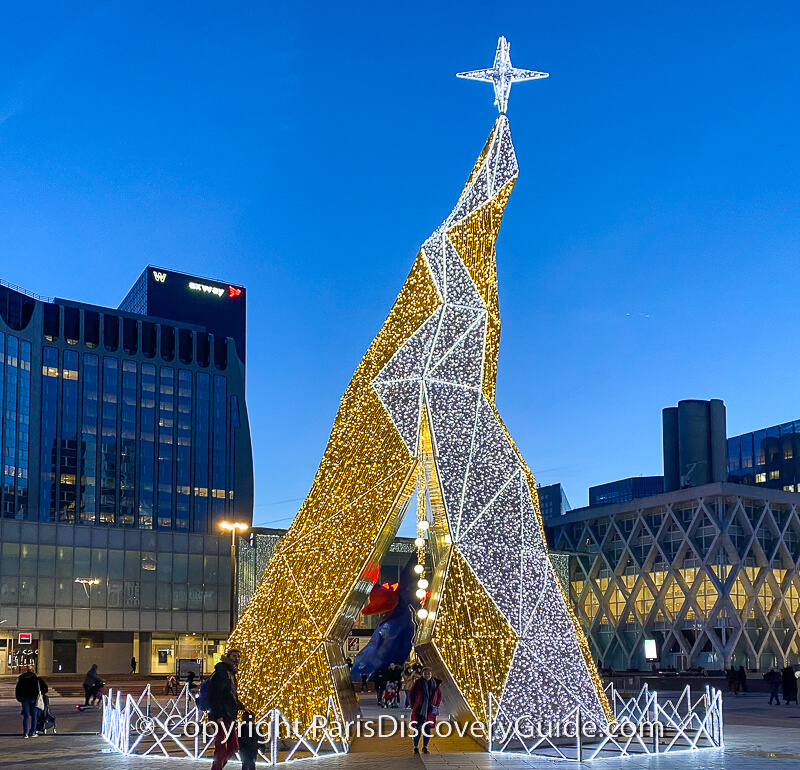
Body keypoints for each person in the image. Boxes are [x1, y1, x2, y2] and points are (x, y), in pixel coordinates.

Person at [208, 649, 246, 770]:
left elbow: (228, 695)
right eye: (234, 656)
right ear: (228, 657)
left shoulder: (231, 673)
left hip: (229, 715)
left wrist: (240, 706)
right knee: (222, 747)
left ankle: (217, 768)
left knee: (233, 746)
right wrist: (218, 714)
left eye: (239, 656)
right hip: (221, 716)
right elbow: (215, 694)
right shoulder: (222, 672)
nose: (237, 659)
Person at [409, 668, 442, 755]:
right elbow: (411, 694)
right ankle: (416, 747)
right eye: (425, 674)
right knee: (418, 728)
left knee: (427, 729)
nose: (427, 675)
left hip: (430, 710)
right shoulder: (418, 684)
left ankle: (425, 747)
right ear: (422, 674)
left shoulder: (435, 684)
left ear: (431, 674)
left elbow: (439, 695)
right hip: (420, 710)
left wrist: (436, 705)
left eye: (428, 673)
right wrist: (413, 706)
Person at [16, 665, 47, 738]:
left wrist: (20, 698)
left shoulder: (22, 678)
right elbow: (45, 689)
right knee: (34, 716)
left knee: (26, 716)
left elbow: (18, 689)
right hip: (34, 699)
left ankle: (25, 733)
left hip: (24, 699)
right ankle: (33, 732)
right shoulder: (36, 679)